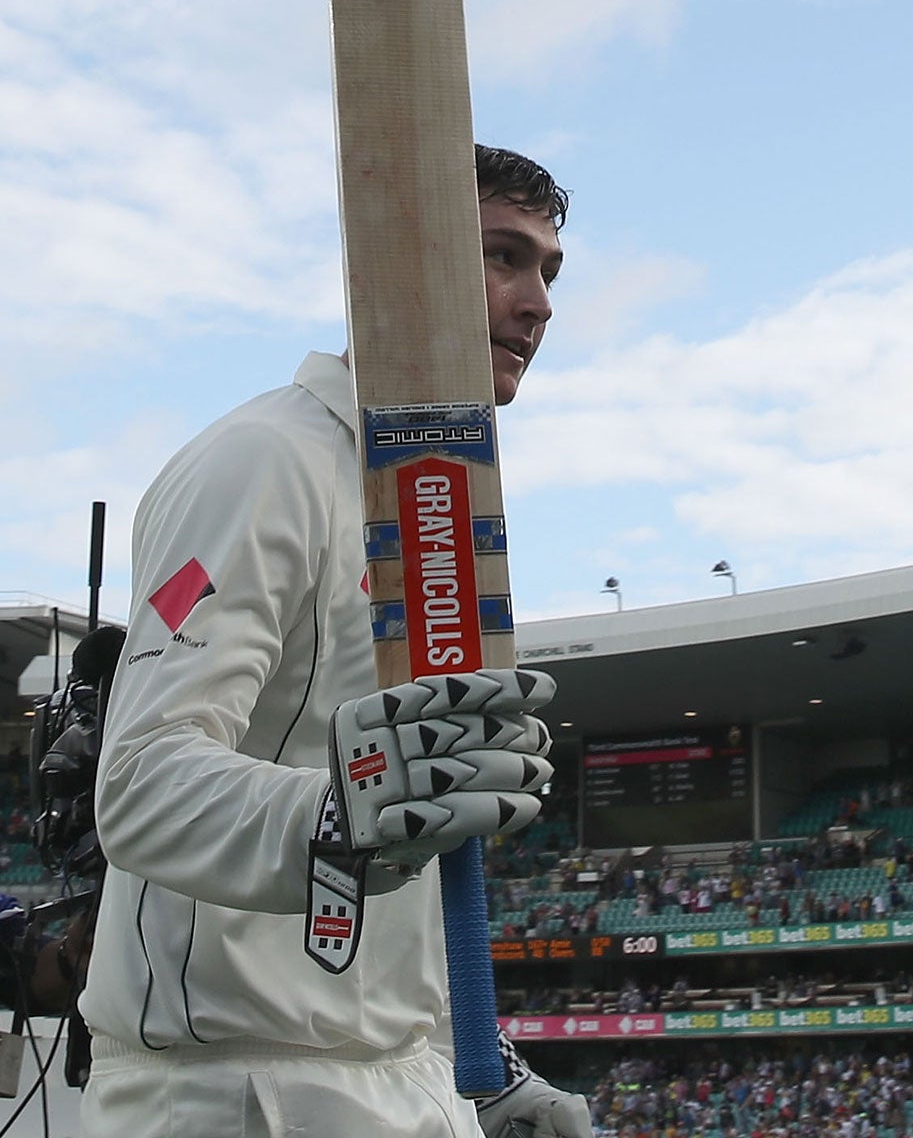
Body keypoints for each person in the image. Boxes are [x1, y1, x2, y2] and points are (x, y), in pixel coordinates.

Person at [78, 146, 592, 1138]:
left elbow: (419, 845)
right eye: (503, 257)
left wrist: (490, 1074)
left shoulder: (432, 508)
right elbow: (138, 785)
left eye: (547, 271)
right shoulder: (260, 462)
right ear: (393, 267)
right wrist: (347, 812)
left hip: (407, 1086)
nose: (538, 304)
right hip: (228, 1090)